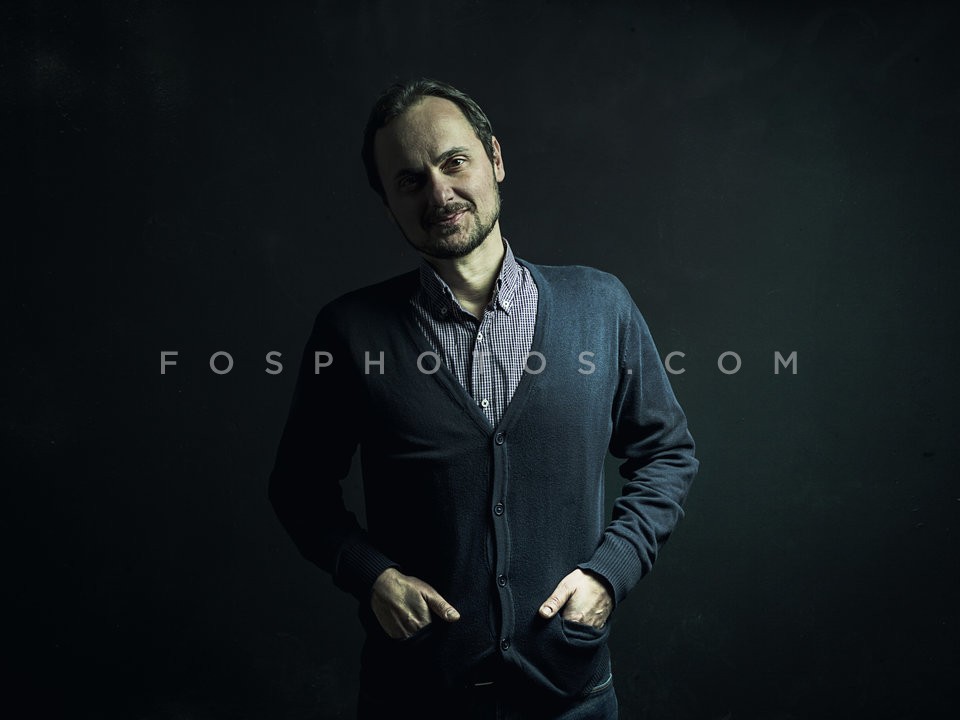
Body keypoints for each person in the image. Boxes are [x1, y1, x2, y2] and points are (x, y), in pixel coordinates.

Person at [268, 78, 699, 720]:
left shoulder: (599, 305)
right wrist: (371, 575)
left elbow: (667, 453)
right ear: (388, 204)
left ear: (494, 159)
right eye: (409, 180)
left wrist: (611, 572)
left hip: (571, 699)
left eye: (454, 162)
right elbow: (298, 487)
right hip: (413, 700)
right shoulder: (351, 331)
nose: (439, 193)